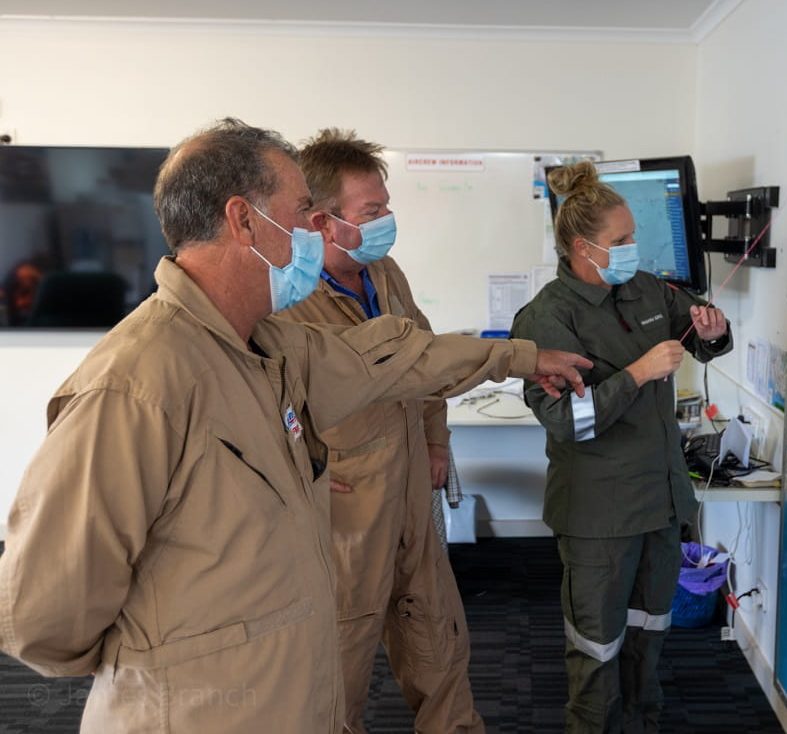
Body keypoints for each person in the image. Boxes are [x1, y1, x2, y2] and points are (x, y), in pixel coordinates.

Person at [0, 118, 590, 734]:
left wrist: (518, 356)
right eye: (303, 210)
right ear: (244, 221)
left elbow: (401, 356)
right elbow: (44, 618)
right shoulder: (135, 385)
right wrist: (180, 654)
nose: (315, 229)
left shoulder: (268, 344)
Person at [509, 161, 732, 733]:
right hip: (600, 517)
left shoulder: (646, 288)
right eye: (622, 240)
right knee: (596, 650)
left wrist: (712, 332)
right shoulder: (546, 318)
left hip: (660, 506)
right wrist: (635, 374)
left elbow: (700, 338)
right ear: (584, 248)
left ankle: (641, 723)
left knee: (648, 640)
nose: (635, 246)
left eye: (634, 234)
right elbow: (565, 420)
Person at [275, 128, 480, 733]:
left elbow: (425, 359)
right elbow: (265, 402)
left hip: (413, 490)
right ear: (322, 220)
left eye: (386, 205)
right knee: (340, 665)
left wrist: (437, 440)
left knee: (440, 642)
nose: (388, 219)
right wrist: (302, 470)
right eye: (373, 211)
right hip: (347, 511)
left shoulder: (384, 271)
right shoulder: (289, 296)